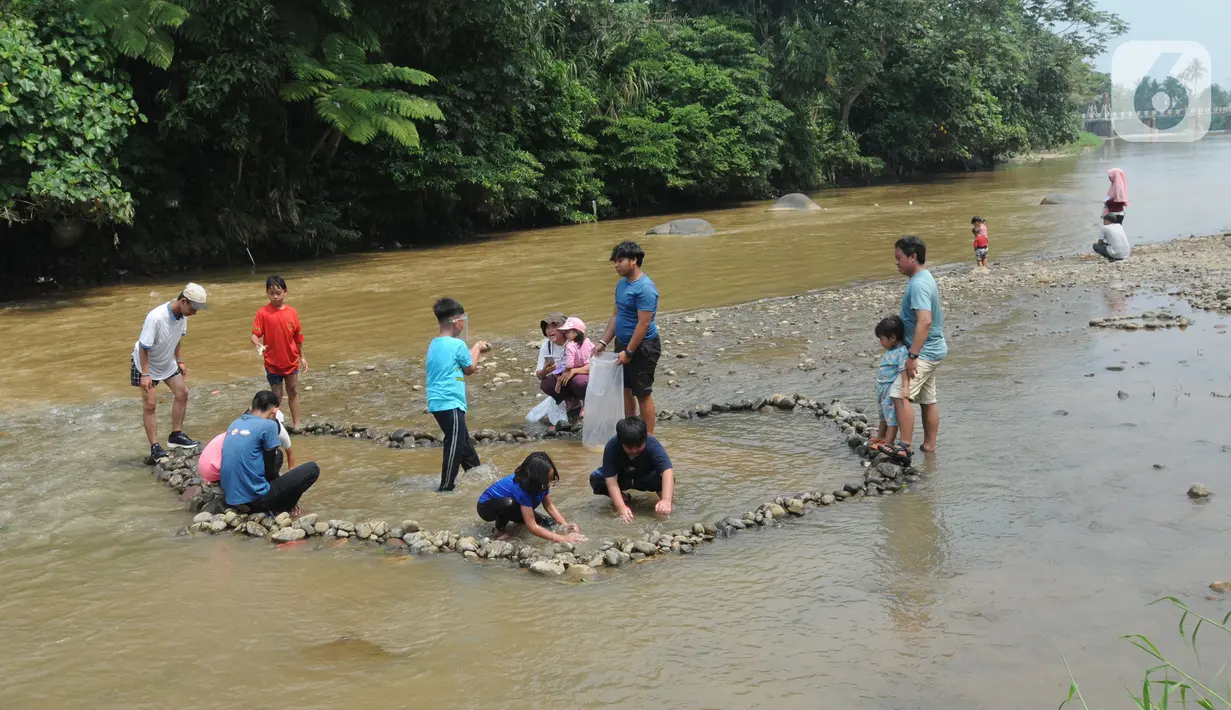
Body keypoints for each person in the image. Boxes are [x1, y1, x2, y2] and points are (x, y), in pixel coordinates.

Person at [131, 283, 208, 462]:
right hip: (145, 363)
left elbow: (177, 340)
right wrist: (145, 374)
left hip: (166, 362)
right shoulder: (156, 317)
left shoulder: (182, 315)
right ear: (183, 301)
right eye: (193, 308)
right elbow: (143, 347)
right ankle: (155, 448)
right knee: (150, 405)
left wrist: (180, 361)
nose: (194, 313)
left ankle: (176, 435)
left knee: (182, 393)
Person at [887, 236, 948, 459]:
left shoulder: (920, 284)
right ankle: (930, 447)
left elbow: (925, 321)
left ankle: (904, 446)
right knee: (927, 399)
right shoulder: (922, 278)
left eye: (899, 258)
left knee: (899, 395)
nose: (897, 262)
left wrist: (913, 355)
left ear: (913, 257)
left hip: (925, 351)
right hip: (932, 348)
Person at [594, 241, 662, 434]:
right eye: (615, 261)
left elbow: (643, 324)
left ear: (634, 261)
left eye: (620, 260)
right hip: (622, 344)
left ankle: (648, 436)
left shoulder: (645, 288)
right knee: (625, 389)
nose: (616, 265)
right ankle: (630, 432)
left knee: (642, 393)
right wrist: (603, 341)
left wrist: (629, 352)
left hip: (643, 347)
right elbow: (616, 314)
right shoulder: (622, 284)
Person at [219, 390, 321, 515]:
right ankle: (286, 506)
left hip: (231, 498)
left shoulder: (235, 423)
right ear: (274, 411)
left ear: (252, 407)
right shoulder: (269, 425)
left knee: (277, 455)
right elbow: (271, 471)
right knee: (313, 469)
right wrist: (286, 488)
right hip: (255, 501)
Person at [426, 297, 490, 492]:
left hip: (437, 401)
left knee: (463, 442)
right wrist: (478, 348)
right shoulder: (457, 345)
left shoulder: (434, 343)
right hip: (450, 401)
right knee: (454, 443)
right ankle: (446, 487)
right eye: (463, 318)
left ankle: (478, 477)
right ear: (457, 321)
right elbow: (469, 368)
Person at [476, 452, 583, 543]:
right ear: (535, 479)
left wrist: (565, 526)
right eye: (548, 480)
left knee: (549, 523)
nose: (550, 483)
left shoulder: (542, 485)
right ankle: (499, 530)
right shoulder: (521, 487)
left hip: (516, 506)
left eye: (552, 479)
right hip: (486, 507)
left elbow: (549, 505)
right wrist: (563, 539)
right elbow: (532, 526)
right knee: (508, 504)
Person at [588, 417, 675, 523]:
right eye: (629, 447)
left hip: (647, 477)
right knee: (596, 477)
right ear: (621, 443)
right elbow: (611, 479)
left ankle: (665, 503)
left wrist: (666, 499)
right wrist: (620, 507)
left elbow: (667, 471)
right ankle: (623, 498)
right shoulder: (612, 447)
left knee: (666, 480)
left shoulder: (652, 444)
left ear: (645, 439)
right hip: (624, 477)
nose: (634, 450)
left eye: (638, 446)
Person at [251, 275, 307, 429]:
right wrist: (257, 344)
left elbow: (298, 337)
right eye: (271, 293)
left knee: (293, 391)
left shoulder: (292, 312)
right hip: (272, 363)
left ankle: (297, 424)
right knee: (276, 397)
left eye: (278, 293)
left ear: (285, 292)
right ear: (267, 293)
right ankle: (278, 427)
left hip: (290, 360)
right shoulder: (263, 313)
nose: (275, 297)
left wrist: (303, 358)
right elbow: (254, 334)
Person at [200, 409, 294, 486]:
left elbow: (290, 455)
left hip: (205, 470)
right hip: (215, 472)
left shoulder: (237, 429)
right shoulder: (262, 431)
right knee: (276, 455)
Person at [870, 316, 909, 448]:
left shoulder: (901, 352)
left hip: (889, 387)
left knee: (890, 415)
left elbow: (903, 369)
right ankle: (881, 435)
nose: (880, 342)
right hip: (881, 386)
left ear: (892, 338)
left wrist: (905, 386)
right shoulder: (890, 350)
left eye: (881, 339)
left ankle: (889, 441)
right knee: (882, 413)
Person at [553, 317, 593, 421]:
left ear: (576, 332)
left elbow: (570, 363)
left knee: (557, 374)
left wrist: (566, 371)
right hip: (586, 369)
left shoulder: (570, 345)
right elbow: (594, 352)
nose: (565, 335)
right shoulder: (587, 341)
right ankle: (585, 405)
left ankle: (571, 401)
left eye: (568, 332)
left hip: (576, 370)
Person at [534, 312, 568, 382]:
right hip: (558, 377)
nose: (550, 330)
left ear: (564, 329)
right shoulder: (546, 345)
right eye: (547, 327)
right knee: (546, 384)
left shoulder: (574, 342)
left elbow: (589, 366)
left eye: (554, 326)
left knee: (580, 382)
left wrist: (572, 371)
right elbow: (539, 375)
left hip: (574, 375)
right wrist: (544, 371)